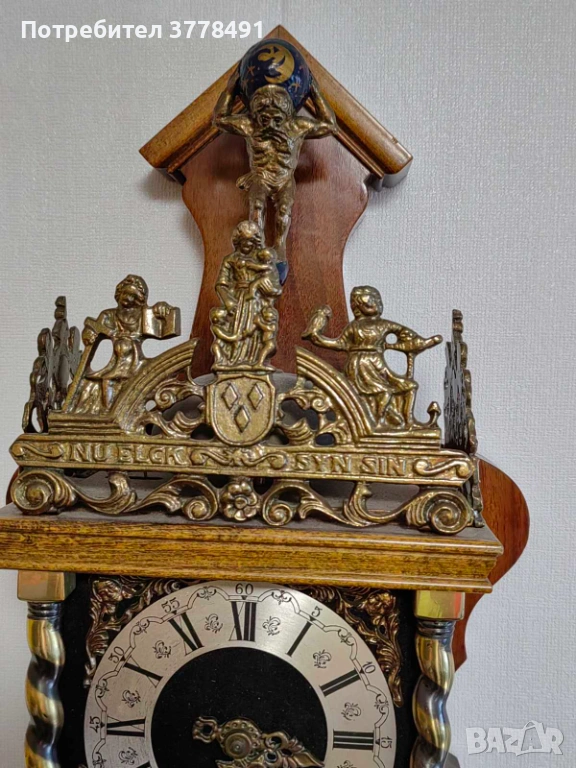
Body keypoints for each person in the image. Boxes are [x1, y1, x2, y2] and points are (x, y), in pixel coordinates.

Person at [214, 67, 337, 277]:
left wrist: (315, 92)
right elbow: (220, 119)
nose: (270, 125)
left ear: (286, 116)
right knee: (257, 206)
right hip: (260, 176)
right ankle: (257, 248)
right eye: (265, 119)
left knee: (283, 211)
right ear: (256, 115)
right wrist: (230, 90)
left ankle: (280, 249)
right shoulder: (249, 126)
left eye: (277, 120)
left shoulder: (297, 127)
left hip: (284, 178)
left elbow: (329, 125)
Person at [303, 285, 442, 427]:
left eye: (377, 300)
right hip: (360, 365)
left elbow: (408, 337)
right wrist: (317, 338)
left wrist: (425, 343)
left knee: (410, 386)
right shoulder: (354, 327)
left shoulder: (384, 325)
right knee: (384, 392)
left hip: (378, 365)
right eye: (370, 302)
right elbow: (340, 344)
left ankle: (409, 422)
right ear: (358, 306)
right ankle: (377, 424)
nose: (375, 304)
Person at [75, 275, 174, 413]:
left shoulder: (144, 316)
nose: (127, 298)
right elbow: (93, 328)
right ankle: (107, 415)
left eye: (133, 296)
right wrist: (88, 334)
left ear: (139, 299)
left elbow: (167, 326)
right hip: (116, 363)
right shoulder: (108, 316)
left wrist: (164, 309)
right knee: (98, 383)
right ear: (119, 293)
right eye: (125, 293)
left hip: (137, 362)